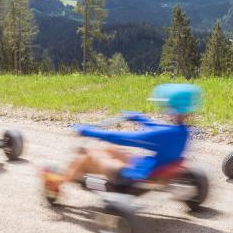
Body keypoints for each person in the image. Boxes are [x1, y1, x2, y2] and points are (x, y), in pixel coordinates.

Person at [41, 83, 202, 200]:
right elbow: (157, 128)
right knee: (109, 149)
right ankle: (71, 173)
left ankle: (58, 182)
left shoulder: (165, 134)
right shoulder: (184, 131)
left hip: (134, 179)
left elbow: (122, 138)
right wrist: (139, 118)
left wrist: (86, 130)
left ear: (171, 107)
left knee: (88, 156)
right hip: (153, 168)